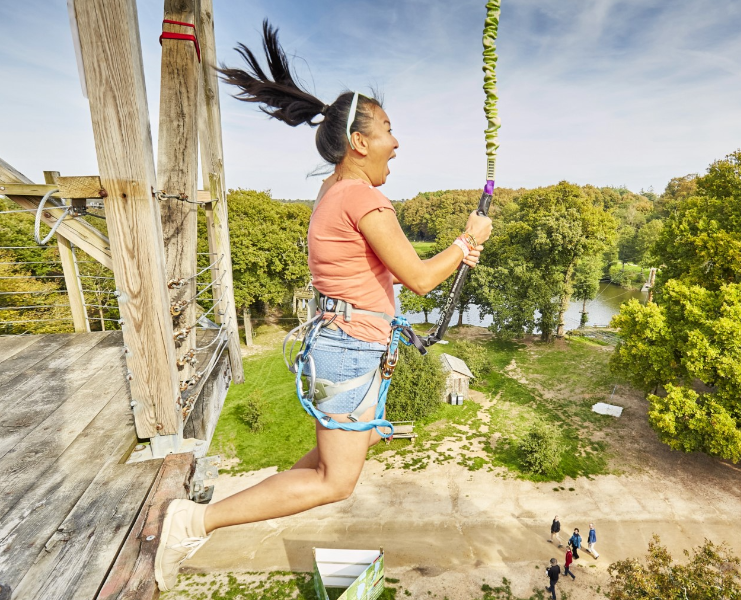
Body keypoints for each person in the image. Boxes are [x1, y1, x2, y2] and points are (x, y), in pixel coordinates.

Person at [153, 21, 492, 592]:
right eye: (388, 129)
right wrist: (464, 242)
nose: (396, 141)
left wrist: (455, 253)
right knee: (336, 480)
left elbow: (384, 275)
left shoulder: (337, 190)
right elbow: (419, 278)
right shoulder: (363, 197)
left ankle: (199, 522)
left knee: (324, 464)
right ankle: (192, 523)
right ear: (359, 142)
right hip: (348, 351)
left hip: (348, 345)